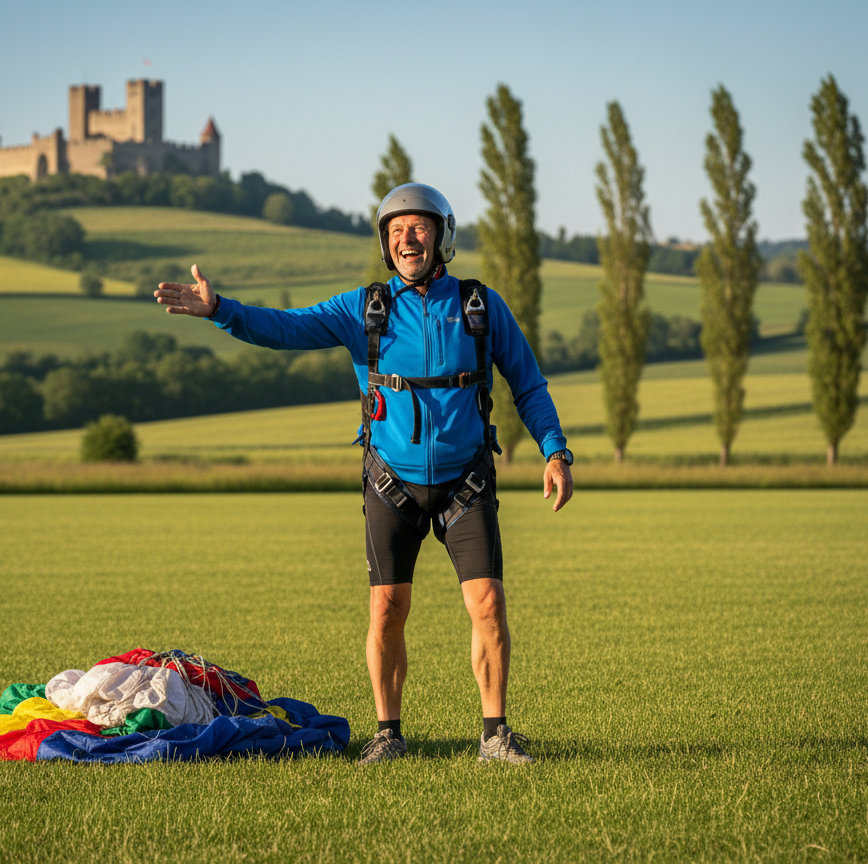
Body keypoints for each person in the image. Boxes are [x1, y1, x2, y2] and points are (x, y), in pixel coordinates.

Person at [154, 183, 573, 765]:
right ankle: (388, 734)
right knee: (386, 608)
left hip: (466, 482)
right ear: (384, 242)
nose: (408, 238)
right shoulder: (363, 310)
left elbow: (528, 383)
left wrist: (555, 451)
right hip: (390, 483)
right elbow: (285, 327)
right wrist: (221, 310)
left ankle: (495, 736)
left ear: (442, 236)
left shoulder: (480, 306)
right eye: (396, 229)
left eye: (419, 227)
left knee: (488, 604)